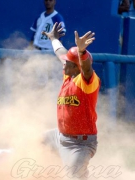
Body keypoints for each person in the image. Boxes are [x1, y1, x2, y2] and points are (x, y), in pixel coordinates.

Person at [41, 22, 101, 179]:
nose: (64, 62)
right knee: (37, 142)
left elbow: (87, 68)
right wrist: (53, 38)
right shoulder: (69, 72)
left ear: (77, 67)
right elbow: (60, 51)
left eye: (68, 62)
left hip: (80, 144)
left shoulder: (87, 82)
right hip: (60, 136)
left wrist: (82, 51)